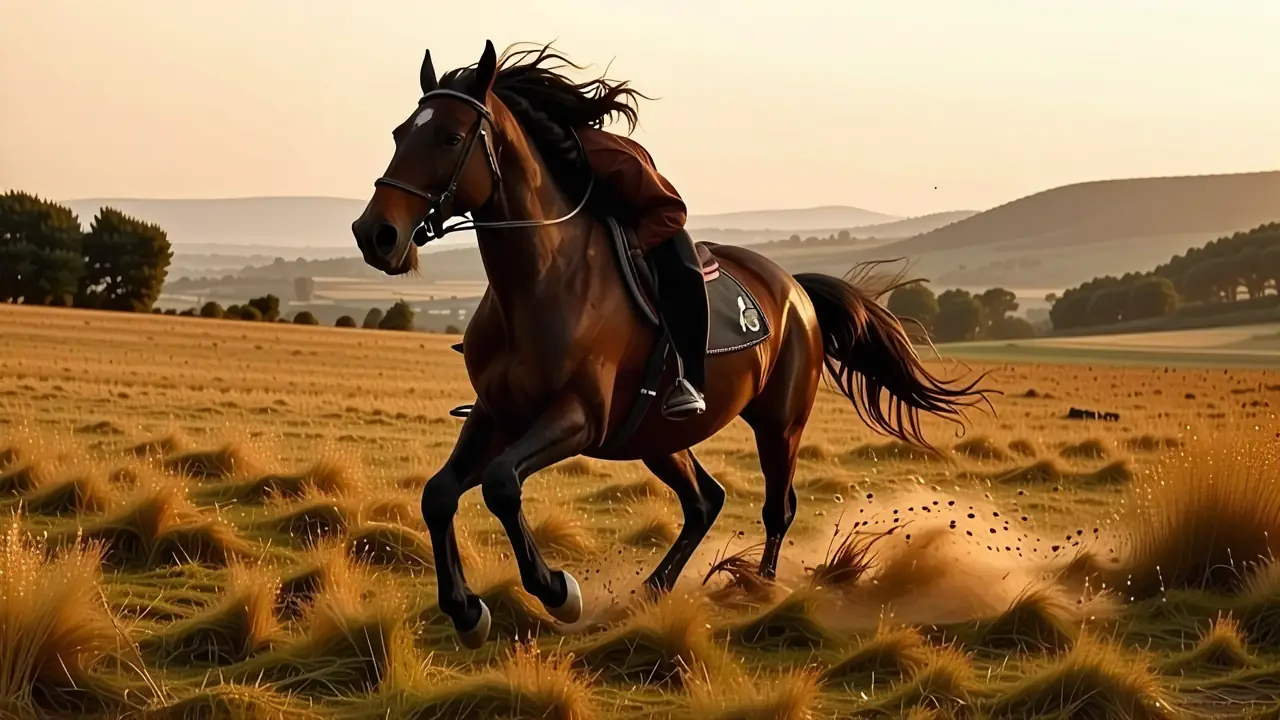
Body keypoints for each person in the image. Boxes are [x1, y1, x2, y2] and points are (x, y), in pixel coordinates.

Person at [576, 126, 709, 420]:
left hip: (652, 224)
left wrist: (636, 244)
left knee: (685, 277)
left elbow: (671, 211)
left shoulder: (605, 154)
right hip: (589, 233)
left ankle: (692, 381)